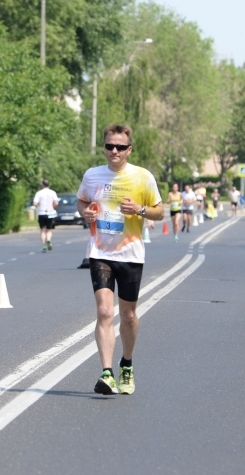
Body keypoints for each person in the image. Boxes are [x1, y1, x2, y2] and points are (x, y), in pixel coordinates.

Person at [78, 124, 163, 396]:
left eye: (120, 147)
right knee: (104, 312)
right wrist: (86, 213)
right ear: (103, 147)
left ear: (129, 149)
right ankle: (107, 373)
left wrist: (139, 210)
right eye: (109, 146)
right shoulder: (92, 176)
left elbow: (160, 212)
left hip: (130, 254)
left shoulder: (142, 177)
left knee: (127, 316)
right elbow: (82, 201)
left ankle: (126, 363)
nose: (114, 151)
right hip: (100, 253)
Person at [33, 179, 59, 252]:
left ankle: (44, 246)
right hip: (50, 213)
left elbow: (35, 203)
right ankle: (48, 239)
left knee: (42, 230)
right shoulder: (52, 192)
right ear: (49, 185)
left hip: (41, 213)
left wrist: (39, 206)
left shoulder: (39, 193)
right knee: (49, 229)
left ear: (42, 185)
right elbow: (56, 203)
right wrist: (52, 207)